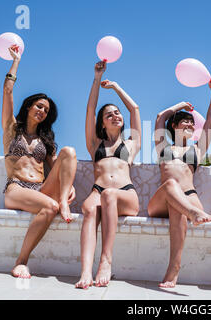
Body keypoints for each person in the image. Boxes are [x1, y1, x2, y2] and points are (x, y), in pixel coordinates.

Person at [2, 45, 77, 279]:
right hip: (16, 188)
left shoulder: (45, 141)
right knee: (50, 207)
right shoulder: (11, 129)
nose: (42, 111)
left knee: (69, 151)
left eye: (46, 110)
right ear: (28, 107)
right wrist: (16, 61)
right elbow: (7, 92)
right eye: (39, 106)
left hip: (41, 188)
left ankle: (63, 201)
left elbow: (60, 167)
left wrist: (69, 187)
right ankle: (21, 261)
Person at [75, 61, 142, 289]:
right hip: (99, 191)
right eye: (109, 115)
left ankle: (106, 259)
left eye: (117, 113)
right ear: (102, 124)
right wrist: (97, 78)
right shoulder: (95, 144)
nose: (115, 116)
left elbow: (135, 109)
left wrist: (115, 87)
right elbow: (90, 110)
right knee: (90, 211)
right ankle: (85, 271)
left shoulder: (132, 144)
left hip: (125, 195)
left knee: (110, 196)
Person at [147, 79, 211, 288]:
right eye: (184, 121)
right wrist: (182, 105)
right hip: (162, 199)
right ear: (174, 125)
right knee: (170, 185)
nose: (189, 124)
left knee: (178, 206)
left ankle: (174, 267)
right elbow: (160, 117)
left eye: (191, 122)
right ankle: (193, 215)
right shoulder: (163, 147)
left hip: (189, 197)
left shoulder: (197, 150)